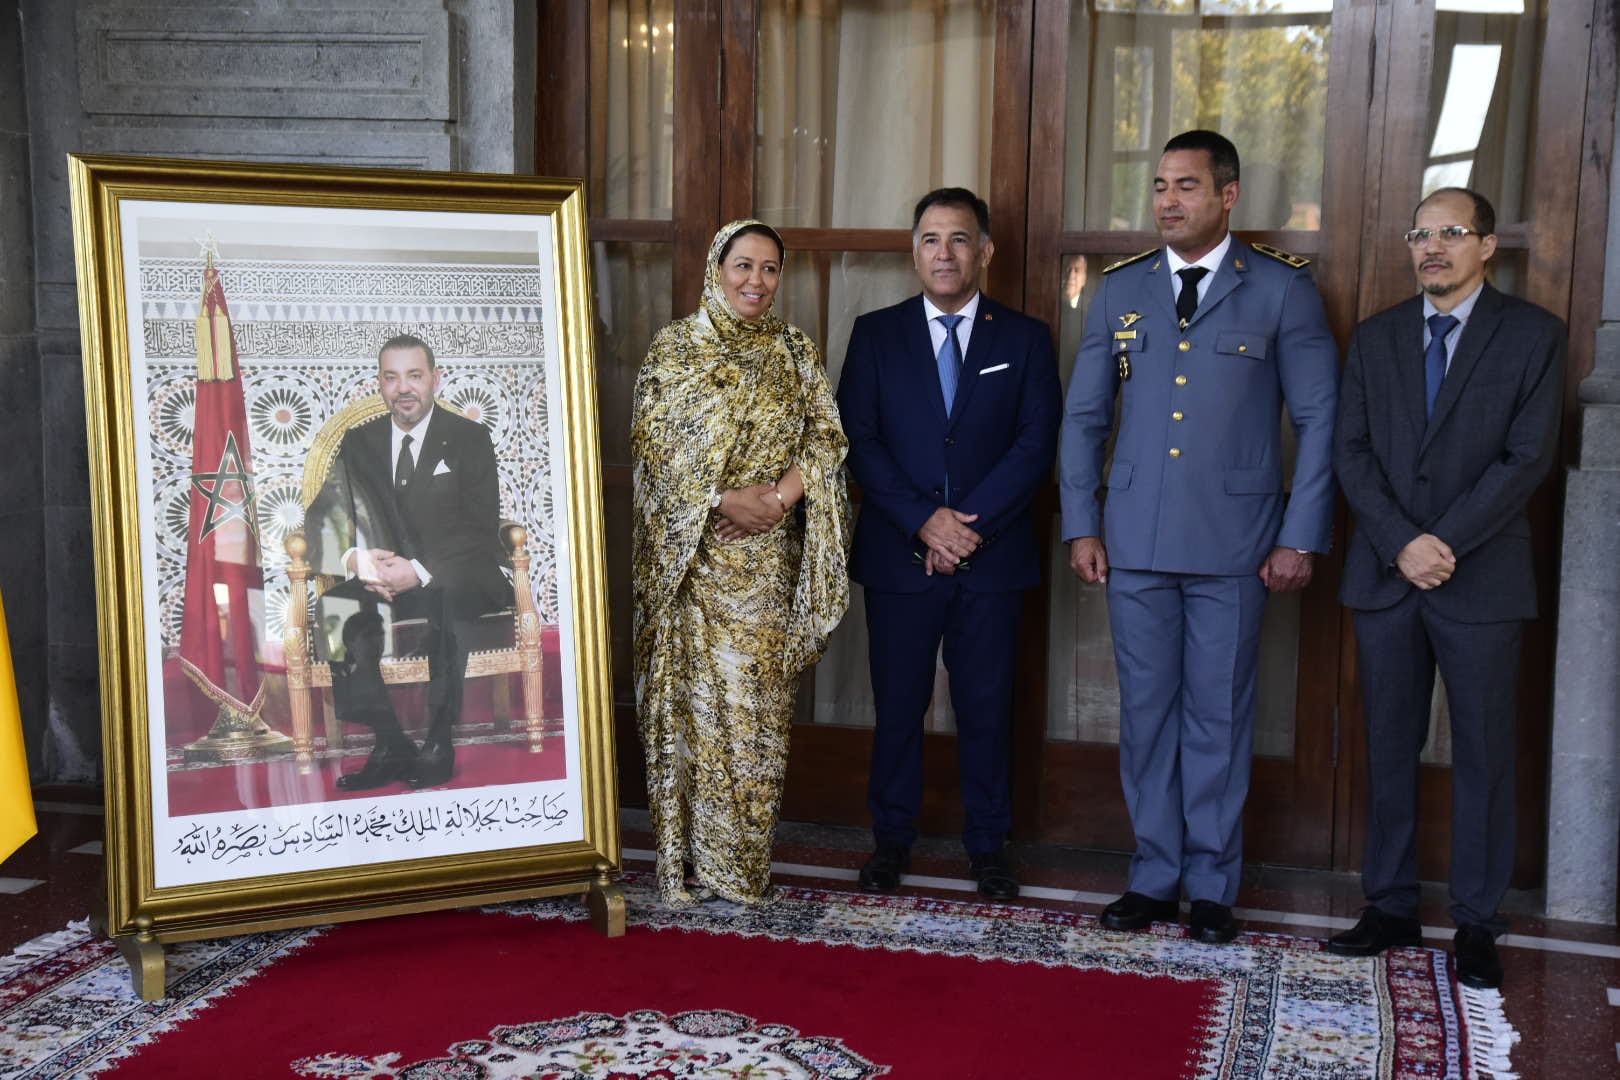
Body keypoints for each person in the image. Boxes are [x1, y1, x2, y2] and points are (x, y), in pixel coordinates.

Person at [1058, 130, 1339, 943]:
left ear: (1228, 196)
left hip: (1237, 546)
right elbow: (1084, 420)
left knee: (1217, 713)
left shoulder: (1282, 292)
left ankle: (1212, 883)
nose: (1167, 201)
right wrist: (1082, 523)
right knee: (1145, 714)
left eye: (1185, 185)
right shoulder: (1120, 292)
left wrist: (1301, 536)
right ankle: (1153, 875)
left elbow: (1319, 421)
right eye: (1158, 186)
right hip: (1136, 539)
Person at [1328, 188, 1565, 990]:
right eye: (1421, 234)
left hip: (1480, 578)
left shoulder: (1534, 336)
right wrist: (1402, 543)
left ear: (1488, 246)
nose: (1432, 247)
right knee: (1387, 747)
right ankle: (1390, 904)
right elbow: (1350, 452)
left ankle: (1476, 921)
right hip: (1390, 577)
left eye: (1452, 233)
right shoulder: (1375, 337)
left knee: (1485, 755)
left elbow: (1527, 458)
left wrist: (1443, 543)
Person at [837, 187, 1060, 901]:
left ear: (985, 251)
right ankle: (891, 839)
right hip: (900, 556)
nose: (944, 253)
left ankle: (989, 844)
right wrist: (923, 521)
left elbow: (1034, 445)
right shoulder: (875, 334)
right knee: (897, 706)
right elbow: (859, 442)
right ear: (913, 250)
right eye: (931, 239)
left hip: (990, 560)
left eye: (959, 239)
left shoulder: (1024, 339)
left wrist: (965, 529)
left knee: (987, 706)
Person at [631, 220, 850, 908]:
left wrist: (778, 500)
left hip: (767, 567)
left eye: (770, 269)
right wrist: (723, 498)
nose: (756, 281)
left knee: (756, 717)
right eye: (743, 266)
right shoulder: (675, 350)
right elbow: (653, 458)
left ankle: (742, 866)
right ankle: (688, 863)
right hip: (694, 566)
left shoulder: (792, 350)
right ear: (715, 268)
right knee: (692, 714)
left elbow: (826, 438)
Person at [308, 334, 510, 791]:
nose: (404, 388)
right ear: (379, 384)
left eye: (414, 376)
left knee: (445, 604)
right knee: (337, 609)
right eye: (392, 377)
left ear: (435, 379)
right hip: (386, 577)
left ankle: (439, 743)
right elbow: (326, 513)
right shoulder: (359, 441)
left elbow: (479, 529)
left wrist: (416, 571)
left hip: (458, 573)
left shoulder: (469, 438)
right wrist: (358, 559)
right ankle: (389, 742)